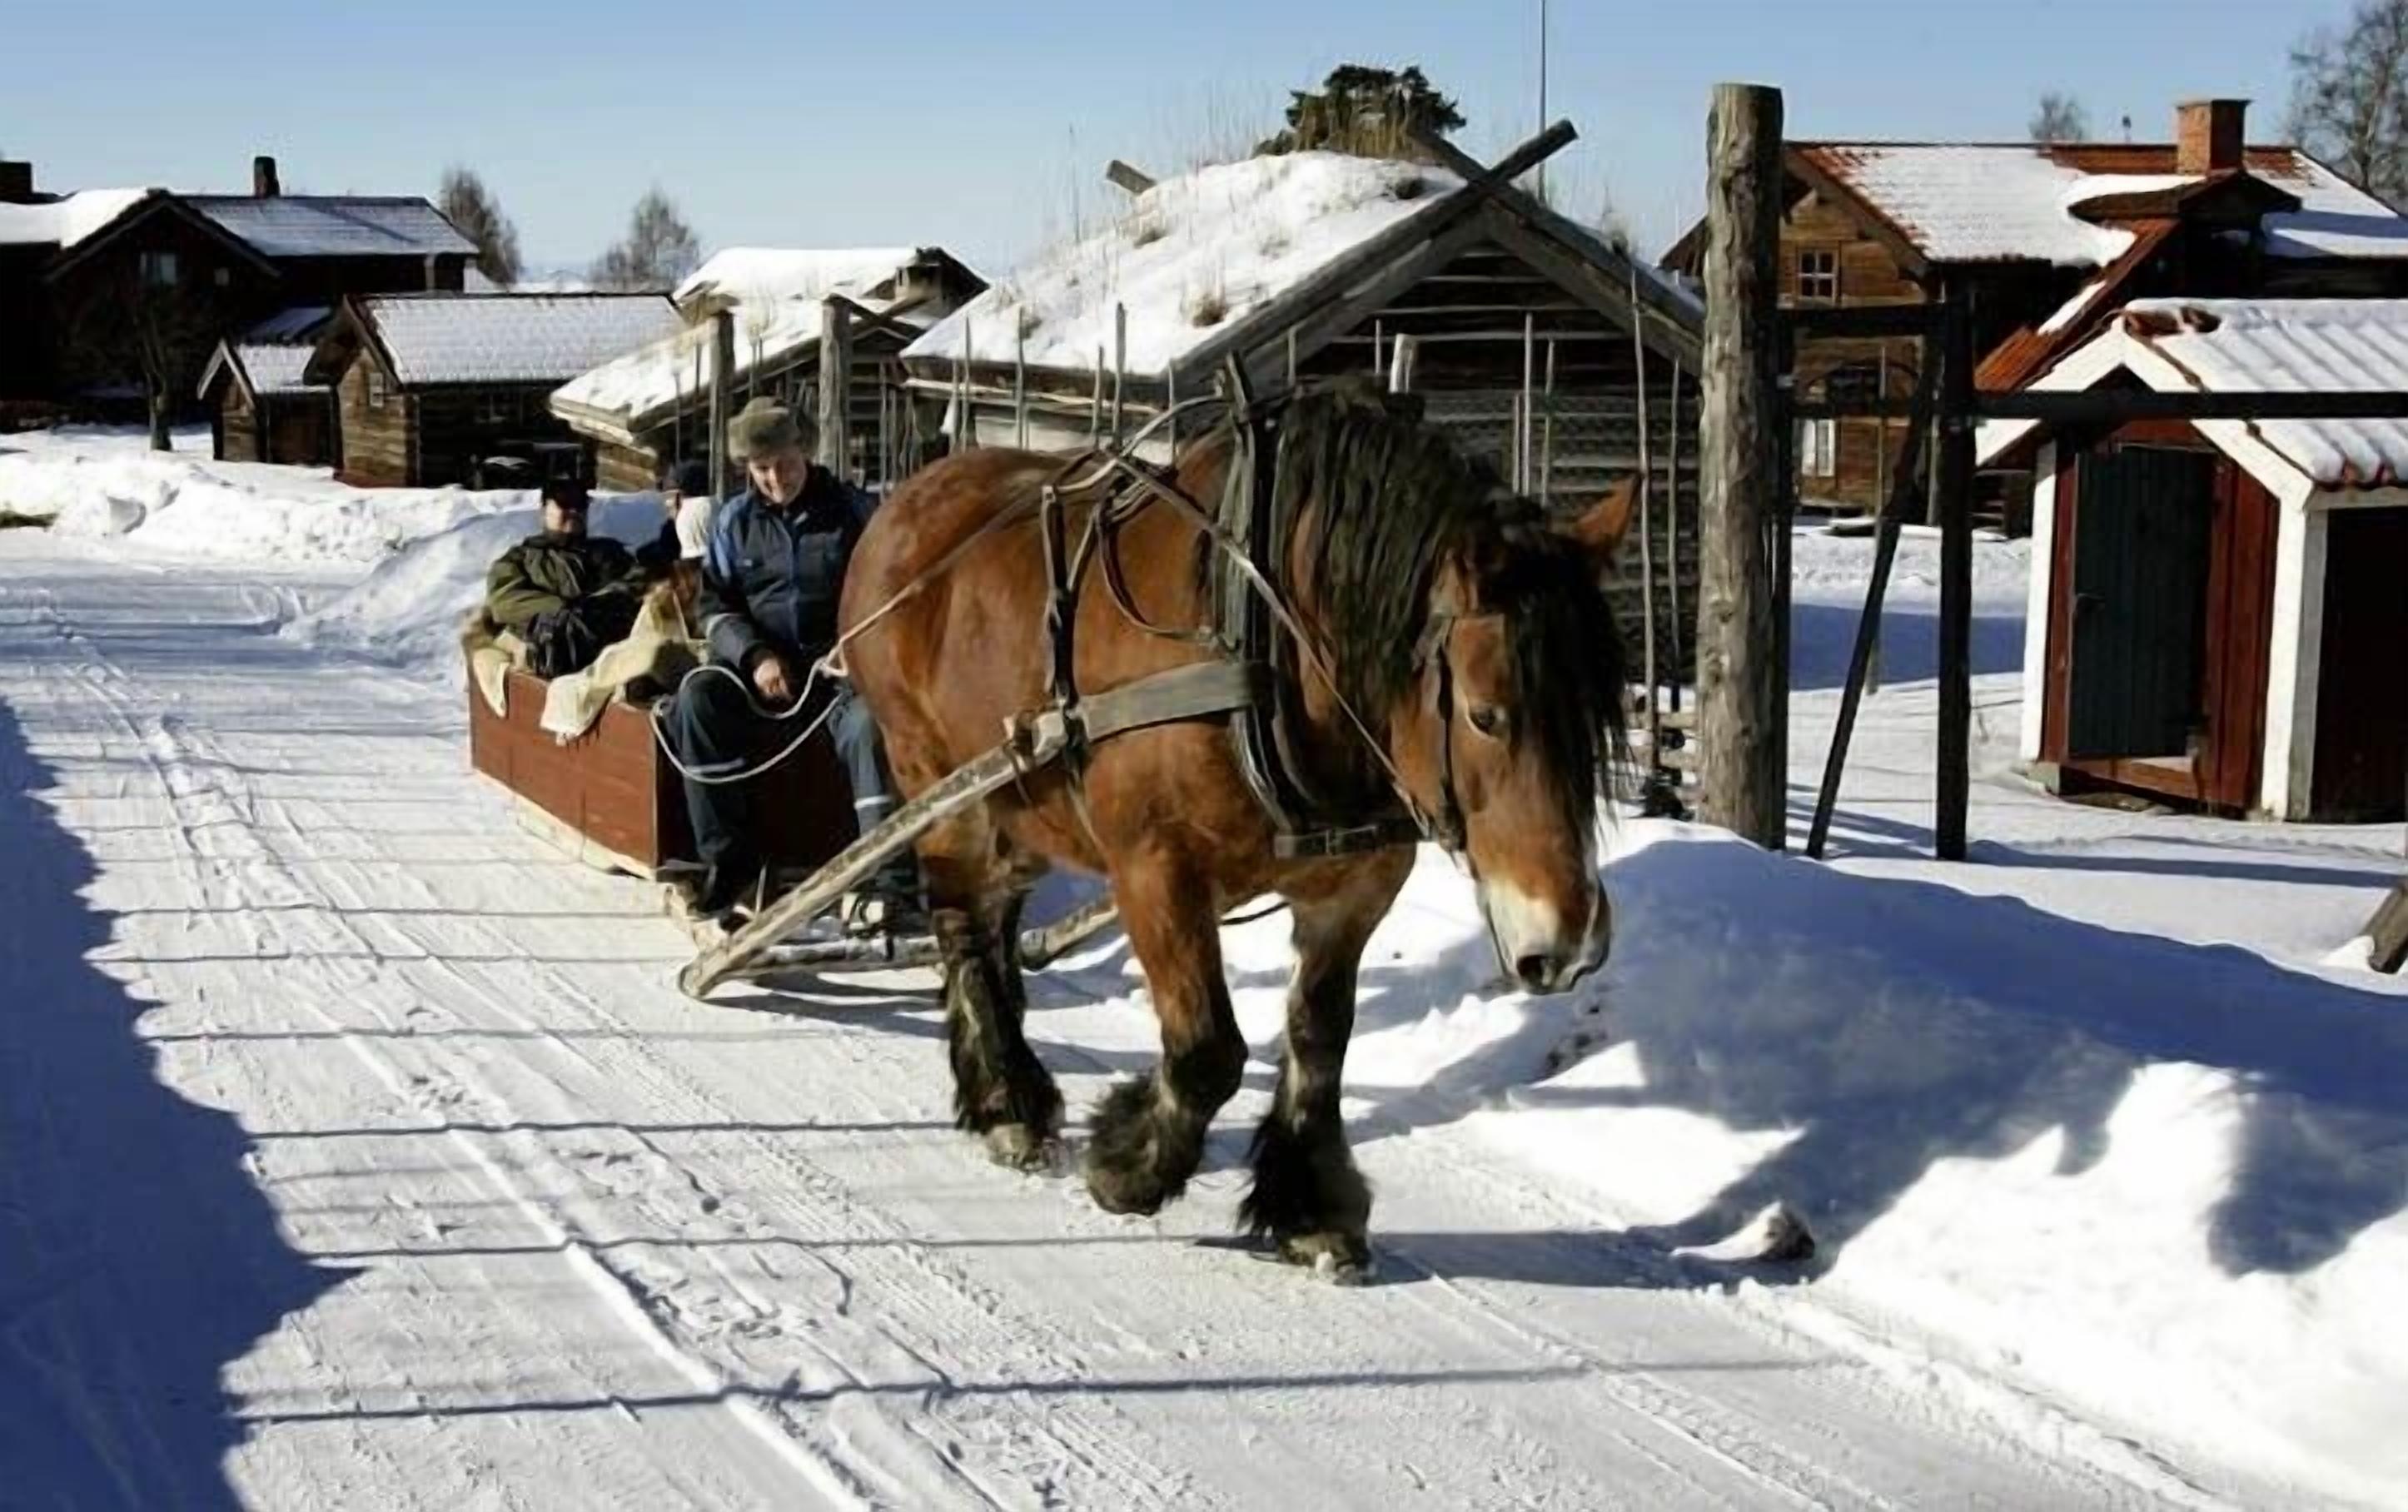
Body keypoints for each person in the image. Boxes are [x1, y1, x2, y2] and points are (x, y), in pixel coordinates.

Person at [667, 398, 920, 930]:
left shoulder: (853, 511)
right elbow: (714, 605)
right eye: (761, 470)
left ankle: (887, 878)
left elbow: (892, 593)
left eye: (784, 465)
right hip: (763, 670)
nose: (775, 479)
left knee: (870, 727)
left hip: (841, 670)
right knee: (697, 700)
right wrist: (754, 656)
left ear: (803, 452)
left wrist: (859, 643)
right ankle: (730, 863)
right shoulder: (734, 522)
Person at [480, 475, 648, 679]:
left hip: (609, 644)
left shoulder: (609, 552)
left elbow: (640, 582)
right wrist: (561, 609)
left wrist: (605, 602)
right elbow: (504, 600)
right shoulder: (521, 559)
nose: (574, 512)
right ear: (543, 511)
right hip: (548, 646)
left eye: (580, 506)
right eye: (564, 504)